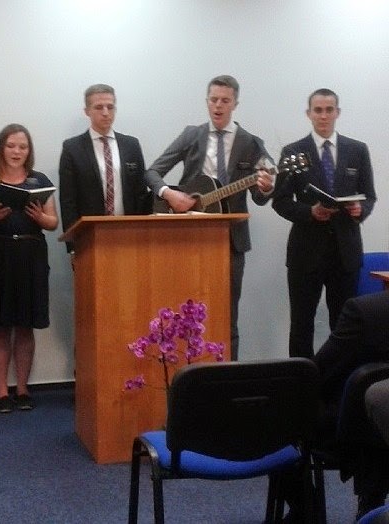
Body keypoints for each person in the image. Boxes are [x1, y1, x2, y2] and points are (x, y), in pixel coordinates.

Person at [143, 75, 275, 360]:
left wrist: (266, 186)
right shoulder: (192, 135)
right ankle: (187, 372)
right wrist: (169, 193)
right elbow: (152, 172)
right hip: (189, 237)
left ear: (235, 104)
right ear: (207, 101)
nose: (218, 105)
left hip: (231, 241)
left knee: (228, 313)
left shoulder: (251, 143)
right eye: (213, 100)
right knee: (184, 310)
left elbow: (261, 195)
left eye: (225, 101)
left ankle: (229, 373)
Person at [272, 88, 376, 359]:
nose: (324, 116)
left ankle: (337, 383)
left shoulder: (357, 150)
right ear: (309, 114)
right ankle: (301, 381)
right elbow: (280, 201)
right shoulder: (293, 151)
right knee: (301, 325)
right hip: (305, 253)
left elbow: (370, 196)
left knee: (345, 327)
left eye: (329, 110)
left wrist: (360, 210)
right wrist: (310, 212)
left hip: (346, 252)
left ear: (337, 113)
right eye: (318, 110)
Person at [0, 124, 58, 413]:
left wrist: (40, 217)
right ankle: (2, 391)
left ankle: (23, 389)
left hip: (31, 254)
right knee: (1, 326)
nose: (17, 152)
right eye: (11, 146)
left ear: (29, 151)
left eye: (23, 147)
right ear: (1, 148)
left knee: (26, 325)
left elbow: (53, 223)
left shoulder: (39, 181)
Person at [282, 291, 389, 522]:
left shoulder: (363, 312)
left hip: (348, 429)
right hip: (376, 426)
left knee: (282, 408)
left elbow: (317, 373)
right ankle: (371, 500)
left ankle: (305, 508)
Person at [59, 83, 152, 253]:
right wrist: (73, 247)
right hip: (90, 237)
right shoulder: (72, 148)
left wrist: (145, 235)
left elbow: (140, 194)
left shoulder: (131, 145)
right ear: (87, 111)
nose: (105, 113)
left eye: (110, 107)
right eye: (98, 107)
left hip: (129, 235)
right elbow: (68, 201)